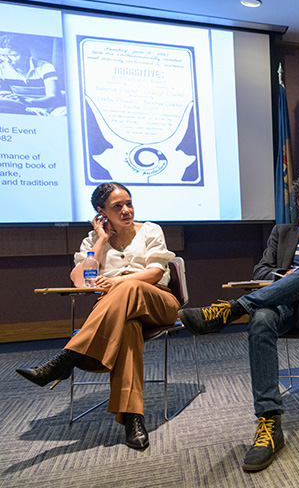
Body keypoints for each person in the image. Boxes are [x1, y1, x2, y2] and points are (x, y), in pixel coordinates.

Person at [178, 172, 299, 472]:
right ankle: (269, 424)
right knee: (261, 319)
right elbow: (261, 271)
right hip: (283, 307)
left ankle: (233, 310)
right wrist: (284, 279)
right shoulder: (283, 233)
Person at [16, 182, 180, 450]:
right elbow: (81, 282)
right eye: (118, 206)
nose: (127, 210)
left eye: (129, 203)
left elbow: (154, 274)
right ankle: (133, 418)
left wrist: (118, 282)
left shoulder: (150, 230)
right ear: (100, 211)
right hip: (118, 314)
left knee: (130, 285)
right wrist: (102, 240)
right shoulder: (92, 242)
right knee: (128, 329)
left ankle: (68, 357)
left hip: (158, 302)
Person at [0, 33, 62, 114]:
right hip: (19, 109)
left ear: (26, 54)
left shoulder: (45, 67)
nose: (7, 60)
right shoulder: (2, 68)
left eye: (13, 55)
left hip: (46, 109)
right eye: (3, 55)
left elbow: (53, 97)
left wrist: (27, 102)